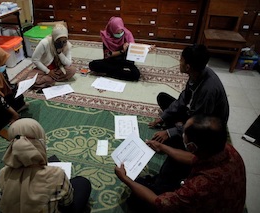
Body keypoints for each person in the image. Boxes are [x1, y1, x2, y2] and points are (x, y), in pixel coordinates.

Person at [115, 115, 246, 213]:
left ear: (193, 146)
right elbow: (191, 158)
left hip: (199, 202)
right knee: (173, 156)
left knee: (136, 198)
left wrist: (126, 179)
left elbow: (158, 203)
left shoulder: (199, 187)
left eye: (184, 133)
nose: (182, 134)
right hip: (216, 201)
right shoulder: (227, 149)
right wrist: (162, 146)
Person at [146, 44, 230, 193]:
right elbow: (183, 98)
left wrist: (169, 132)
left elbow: (197, 123)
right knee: (163, 98)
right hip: (195, 113)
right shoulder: (197, 73)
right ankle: (175, 127)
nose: (179, 62)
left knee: (174, 145)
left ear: (188, 66)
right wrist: (163, 117)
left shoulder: (208, 90)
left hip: (207, 127)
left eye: (181, 60)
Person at [0, 118, 91, 213]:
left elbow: (2, 202)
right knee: (82, 182)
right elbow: (67, 203)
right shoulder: (56, 174)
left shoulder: (3, 174)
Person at [89, 16, 154, 81]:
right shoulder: (107, 38)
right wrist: (122, 50)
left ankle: (110, 73)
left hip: (125, 61)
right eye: (117, 33)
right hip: (112, 60)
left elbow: (134, 49)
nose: (120, 34)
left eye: (121, 32)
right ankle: (116, 72)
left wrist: (146, 50)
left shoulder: (127, 34)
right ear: (112, 30)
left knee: (136, 74)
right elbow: (108, 55)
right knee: (92, 65)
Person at [29, 23, 76, 89]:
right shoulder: (45, 43)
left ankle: (50, 80)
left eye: (64, 41)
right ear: (54, 38)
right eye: (59, 41)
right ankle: (50, 79)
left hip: (57, 69)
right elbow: (34, 59)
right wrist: (48, 71)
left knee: (72, 70)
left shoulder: (67, 45)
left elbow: (68, 63)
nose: (62, 44)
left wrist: (59, 53)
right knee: (32, 80)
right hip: (44, 68)